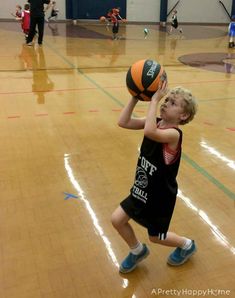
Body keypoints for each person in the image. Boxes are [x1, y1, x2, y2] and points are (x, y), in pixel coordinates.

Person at [111, 83, 198, 273]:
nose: (166, 103)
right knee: (117, 220)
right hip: (141, 189)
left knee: (156, 237)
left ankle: (186, 245)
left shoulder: (173, 134)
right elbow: (123, 122)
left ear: (182, 116)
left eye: (172, 103)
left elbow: (150, 132)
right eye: (166, 99)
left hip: (159, 197)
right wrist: (135, 96)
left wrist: (154, 100)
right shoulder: (156, 122)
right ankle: (137, 251)